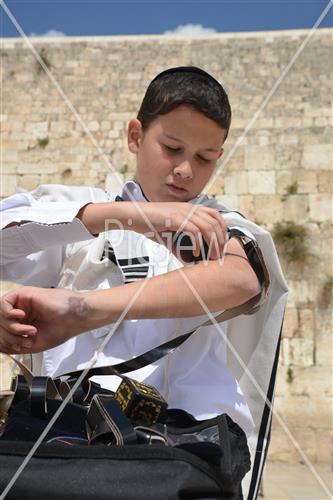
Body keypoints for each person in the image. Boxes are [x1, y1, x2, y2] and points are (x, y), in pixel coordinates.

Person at [0, 67, 288, 498]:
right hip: (67, 452)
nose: (187, 170)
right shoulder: (74, 212)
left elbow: (238, 278)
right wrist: (136, 217)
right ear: (136, 136)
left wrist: (83, 310)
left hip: (184, 456)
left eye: (205, 157)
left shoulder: (221, 225)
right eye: (172, 148)